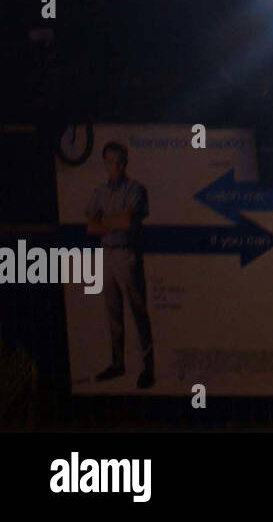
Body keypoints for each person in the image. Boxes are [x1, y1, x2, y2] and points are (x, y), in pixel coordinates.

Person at [85, 142, 154, 389]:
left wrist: (106, 221)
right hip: (107, 255)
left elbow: (127, 222)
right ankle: (117, 364)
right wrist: (116, 221)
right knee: (112, 313)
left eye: (120, 161)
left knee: (138, 313)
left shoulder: (137, 189)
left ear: (126, 162)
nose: (116, 166)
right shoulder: (99, 192)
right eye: (112, 161)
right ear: (105, 163)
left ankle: (148, 368)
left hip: (127, 255)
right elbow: (90, 226)